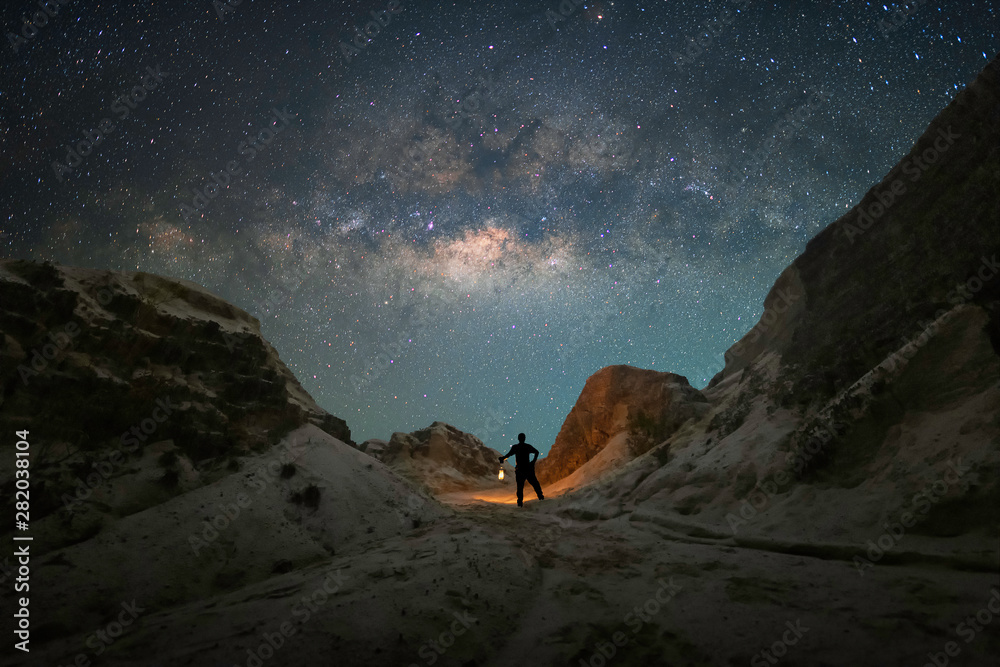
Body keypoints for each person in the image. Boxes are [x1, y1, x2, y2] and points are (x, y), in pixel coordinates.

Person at [498, 433, 544, 507]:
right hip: (528, 469)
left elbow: (508, 455)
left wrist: (502, 458)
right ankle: (541, 497)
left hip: (520, 470)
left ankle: (520, 503)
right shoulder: (527, 446)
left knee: (520, 487)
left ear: (518, 438)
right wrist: (533, 462)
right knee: (535, 484)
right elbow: (536, 452)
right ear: (524, 438)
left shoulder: (516, 447)